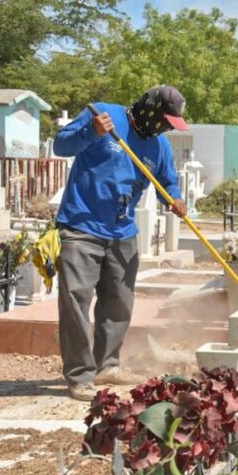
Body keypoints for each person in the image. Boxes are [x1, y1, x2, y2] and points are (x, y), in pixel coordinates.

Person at [53, 85, 189, 400]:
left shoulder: (160, 146)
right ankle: (79, 375)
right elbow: (62, 145)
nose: (167, 128)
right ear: (150, 110)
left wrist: (176, 199)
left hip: (123, 233)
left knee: (119, 304)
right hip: (82, 225)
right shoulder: (104, 114)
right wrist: (91, 131)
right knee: (75, 302)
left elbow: (167, 181)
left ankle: (107, 365)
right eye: (165, 120)